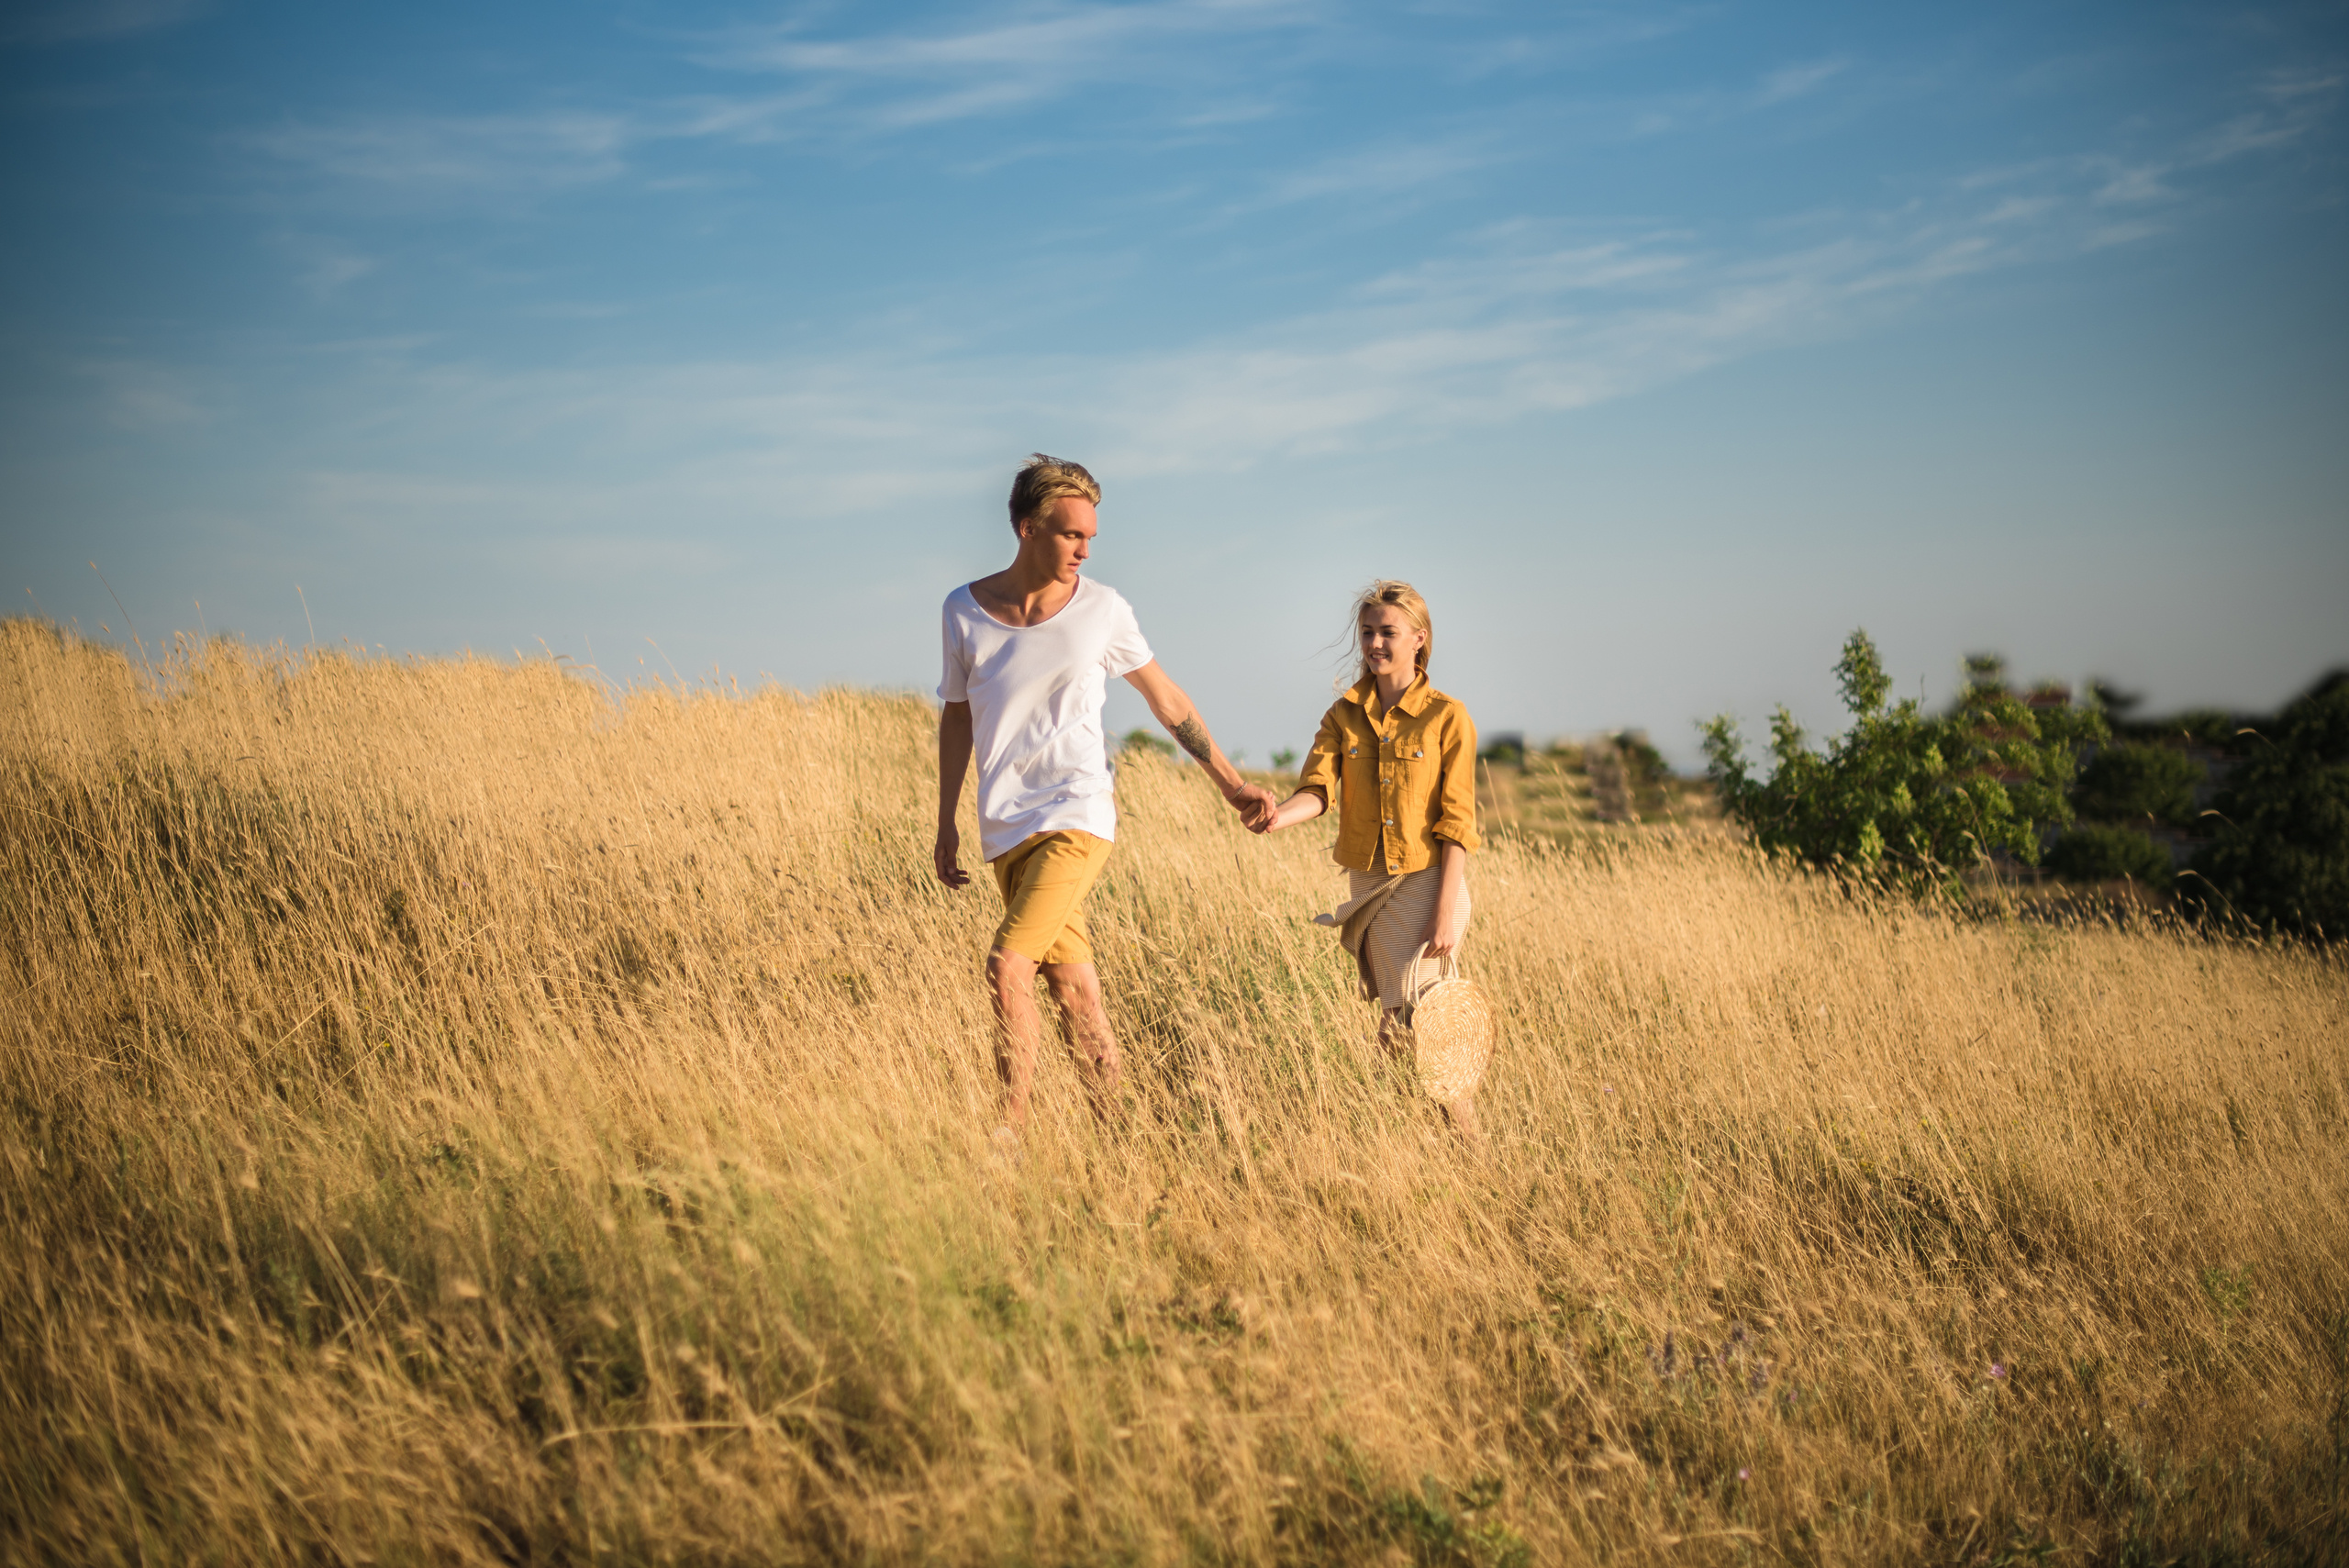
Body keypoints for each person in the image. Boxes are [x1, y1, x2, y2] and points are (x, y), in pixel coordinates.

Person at [935, 454, 1275, 1144]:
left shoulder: (1103, 609)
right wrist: (944, 820)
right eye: (1070, 535)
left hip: (1077, 814)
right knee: (1075, 991)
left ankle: (1010, 1133)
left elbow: (1166, 699)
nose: (1084, 549)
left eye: (1091, 536)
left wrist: (1232, 783)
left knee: (1007, 966)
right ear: (1026, 528)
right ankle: (1120, 1140)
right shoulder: (964, 611)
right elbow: (958, 715)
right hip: (1005, 827)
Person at [1252, 580, 1485, 1140]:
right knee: (1403, 1026)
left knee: (1414, 1028)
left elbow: (1458, 823)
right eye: (1368, 633)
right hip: (1369, 888)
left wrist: (1446, 911)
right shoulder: (1344, 716)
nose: (1375, 643)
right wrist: (1278, 816)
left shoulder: (1449, 718)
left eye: (1388, 632)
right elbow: (1319, 789)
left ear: (1418, 640)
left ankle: (1441, 1148)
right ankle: (1405, 1146)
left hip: (1430, 885)